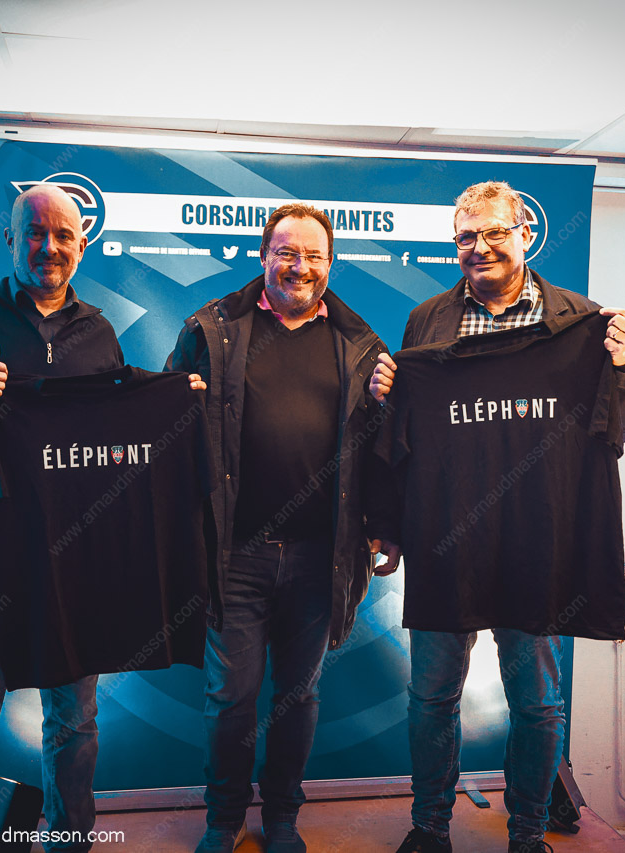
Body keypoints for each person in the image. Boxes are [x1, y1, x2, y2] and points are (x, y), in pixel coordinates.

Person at [0, 184, 203, 852]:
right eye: (34, 232)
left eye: (62, 236)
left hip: (69, 549)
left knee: (74, 718)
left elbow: (107, 427)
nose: (47, 247)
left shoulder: (97, 330)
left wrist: (170, 399)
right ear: (9, 239)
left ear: (83, 246)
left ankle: (68, 840)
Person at [368, 181, 625, 853]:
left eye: (495, 232)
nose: (481, 247)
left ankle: (526, 833)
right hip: (446, 535)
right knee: (431, 694)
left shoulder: (581, 319)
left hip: (538, 537)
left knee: (536, 700)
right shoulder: (427, 319)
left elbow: (622, 422)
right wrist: (387, 405)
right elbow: (407, 433)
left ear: (525, 233)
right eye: (466, 237)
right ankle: (429, 827)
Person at [167, 203, 396, 853]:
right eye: (287, 253)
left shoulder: (361, 345)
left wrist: (386, 524)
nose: (300, 267)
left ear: (331, 263)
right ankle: (223, 818)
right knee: (230, 697)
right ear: (264, 255)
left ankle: (284, 817)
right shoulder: (212, 330)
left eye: (313, 255)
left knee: (299, 696)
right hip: (233, 554)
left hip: (323, 556)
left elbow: (383, 449)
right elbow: (166, 429)